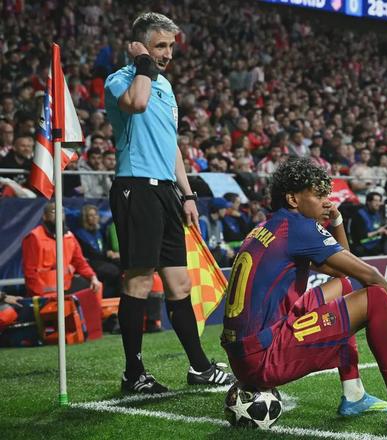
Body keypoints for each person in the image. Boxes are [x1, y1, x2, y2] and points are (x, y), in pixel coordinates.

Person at [221, 158, 387, 431]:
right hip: (264, 357)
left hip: (247, 351)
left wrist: (336, 221)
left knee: (343, 288)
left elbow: (342, 271)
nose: (326, 201)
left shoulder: (270, 227)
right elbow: (371, 275)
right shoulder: (299, 228)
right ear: (293, 199)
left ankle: (354, 394)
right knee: (377, 298)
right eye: (317, 195)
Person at [104, 12, 234, 394]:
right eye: (160, 46)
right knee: (140, 281)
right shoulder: (121, 80)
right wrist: (143, 63)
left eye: (171, 46)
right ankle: (133, 374)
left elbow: (170, 144)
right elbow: (137, 103)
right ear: (140, 46)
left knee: (179, 283)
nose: (168, 54)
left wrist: (187, 193)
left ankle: (200, 368)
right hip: (136, 188)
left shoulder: (166, 86)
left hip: (166, 193)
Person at [22, 203, 103, 296]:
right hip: (45, 292)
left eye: (62, 212)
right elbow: (30, 272)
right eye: (54, 212)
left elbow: (80, 261)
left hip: (66, 286)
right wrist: (41, 295)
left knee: (95, 287)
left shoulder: (69, 236)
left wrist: (92, 276)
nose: (59, 215)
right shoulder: (34, 237)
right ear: (44, 216)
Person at [350, 192, 387, 257]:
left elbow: (382, 226)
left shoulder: (377, 213)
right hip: (362, 246)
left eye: (379, 201)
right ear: (368, 202)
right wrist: (378, 231)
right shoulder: (359, 215)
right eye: (375, 201)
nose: (378, 203)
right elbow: (362, 236)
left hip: (375, 244)